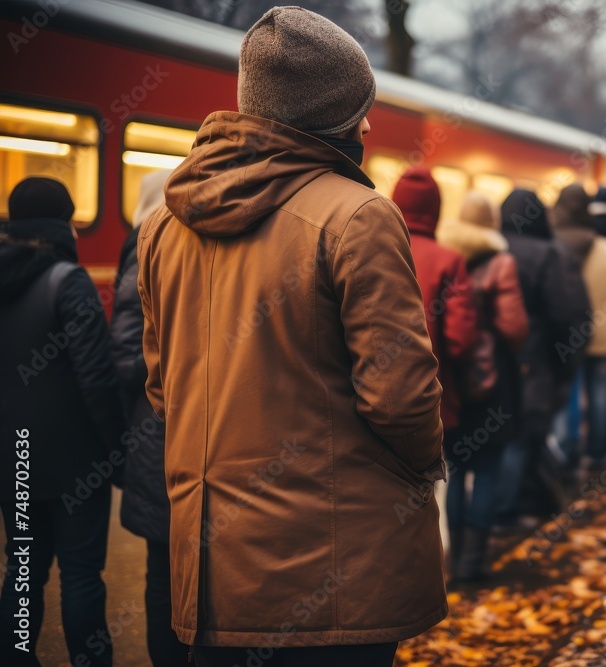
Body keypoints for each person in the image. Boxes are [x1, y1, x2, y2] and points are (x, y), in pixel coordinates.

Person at [136, 8, 446, 666]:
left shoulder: (163, 224)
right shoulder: (358, 216)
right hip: (335, 578)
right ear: (331, 116)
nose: (366, 125)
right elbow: (402, 397)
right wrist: (423, 468)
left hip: (213, 573)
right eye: (360, 109)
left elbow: (163, 388)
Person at [0, 177, 126, 667]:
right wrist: (117, 452)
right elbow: (97, 378)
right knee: (79, 574)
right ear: (62, 223)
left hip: (18, 460)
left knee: (24, 571)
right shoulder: (67, 281)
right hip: (75, 465)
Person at [110, 169, 188, 667]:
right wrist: (176, 351)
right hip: (159, 430)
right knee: (164, 570)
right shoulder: (148, 244)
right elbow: (124, 351)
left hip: (162, 430)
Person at [437, 191, 528, 580]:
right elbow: (514, 326)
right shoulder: (501, 262)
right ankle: (475, 562)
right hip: (493, 381)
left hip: (454, 377)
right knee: (487, 469)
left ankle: (454, 557)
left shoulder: (447, 256)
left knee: (456, 469)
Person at [390, 167, 477, 570]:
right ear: (437, 209)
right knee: (441, 477)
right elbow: (460, 339)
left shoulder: (375, 247)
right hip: (436, 392)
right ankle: (442, 560)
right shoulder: (448, 260)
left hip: (377, 392)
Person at [495, 189, 588, 525]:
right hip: (536, 356)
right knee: (526, 432)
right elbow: (562, 312)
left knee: (504, 432)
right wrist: (566, 360)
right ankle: (507, 510)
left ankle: (514, 503)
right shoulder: (549, 254)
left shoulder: (492, 246)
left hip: (496, 356)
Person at [551, 184, 606, 471]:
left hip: (569, 331)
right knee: (600, 390)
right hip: (604, 331)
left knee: (569, 390)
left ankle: (566, 450)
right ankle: (597, 451)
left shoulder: (556, 245)